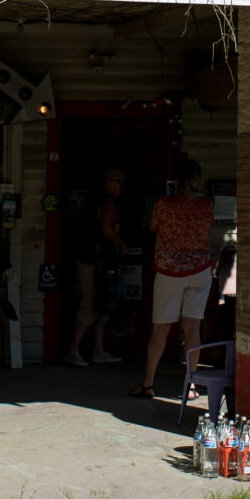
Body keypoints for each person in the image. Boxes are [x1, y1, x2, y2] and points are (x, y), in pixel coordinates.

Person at [131, 159, 214, 398]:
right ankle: (190, 385)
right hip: (200, 270)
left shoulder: (164, 204)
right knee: (192, 328)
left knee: (161, 329)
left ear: (176, 180)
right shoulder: (206, 205)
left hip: (170, 271)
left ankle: (147, 384)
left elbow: (152, 227)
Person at [64, 168, 125, 366]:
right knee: (90, 303)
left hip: (99, 259)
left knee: (103, 305)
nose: (121, 187)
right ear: (107, 182)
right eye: (118, 182)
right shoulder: (107, 201)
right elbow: (106, 229)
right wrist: (122, 243)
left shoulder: (97, 201)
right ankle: (73, 350)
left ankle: (99, 350)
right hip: (91, 259)